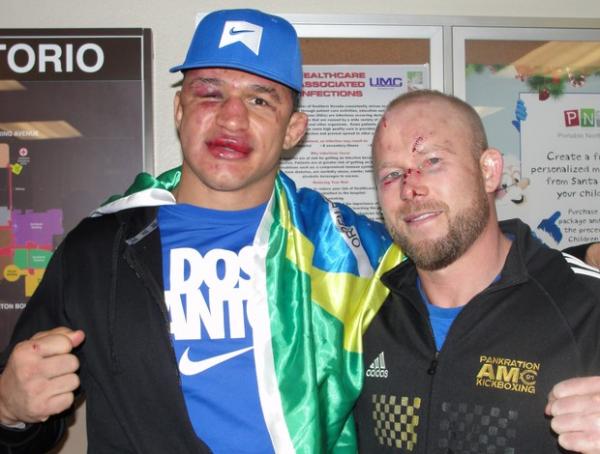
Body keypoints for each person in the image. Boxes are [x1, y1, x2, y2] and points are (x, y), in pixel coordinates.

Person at [0, 9, 397, 453]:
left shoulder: (350, 249)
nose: (231, 118)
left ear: (293, 131)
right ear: (179, 108)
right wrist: (9, 412)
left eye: (260, 100)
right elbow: (30, 418)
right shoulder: (97, 249)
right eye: (210, 93)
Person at [354, 89, 600, 453]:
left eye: (432, 160)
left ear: (489, 171)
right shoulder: (363, 310)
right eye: (391, 174)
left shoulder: (586, 307)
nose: (411, 188)